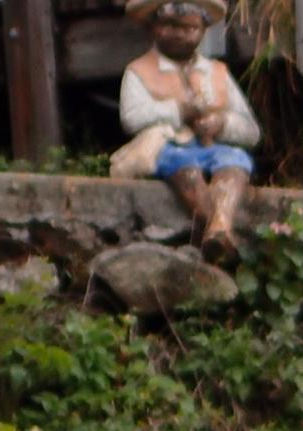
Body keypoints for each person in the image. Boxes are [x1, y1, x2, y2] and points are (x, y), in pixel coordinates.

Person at [112, 0, 261, 260]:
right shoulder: (138, 71)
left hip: (212, 148)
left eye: (190, 28)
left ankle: (220, 226)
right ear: (153, 26)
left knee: (235, 161)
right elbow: (132, 118)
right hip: (168, 147)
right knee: (183, 165)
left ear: (203, 30)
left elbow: (251, 131)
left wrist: (222, 124)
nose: (180, 34)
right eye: (170, 26)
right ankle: (213, 227)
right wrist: (178, 111)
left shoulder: (217, 72)